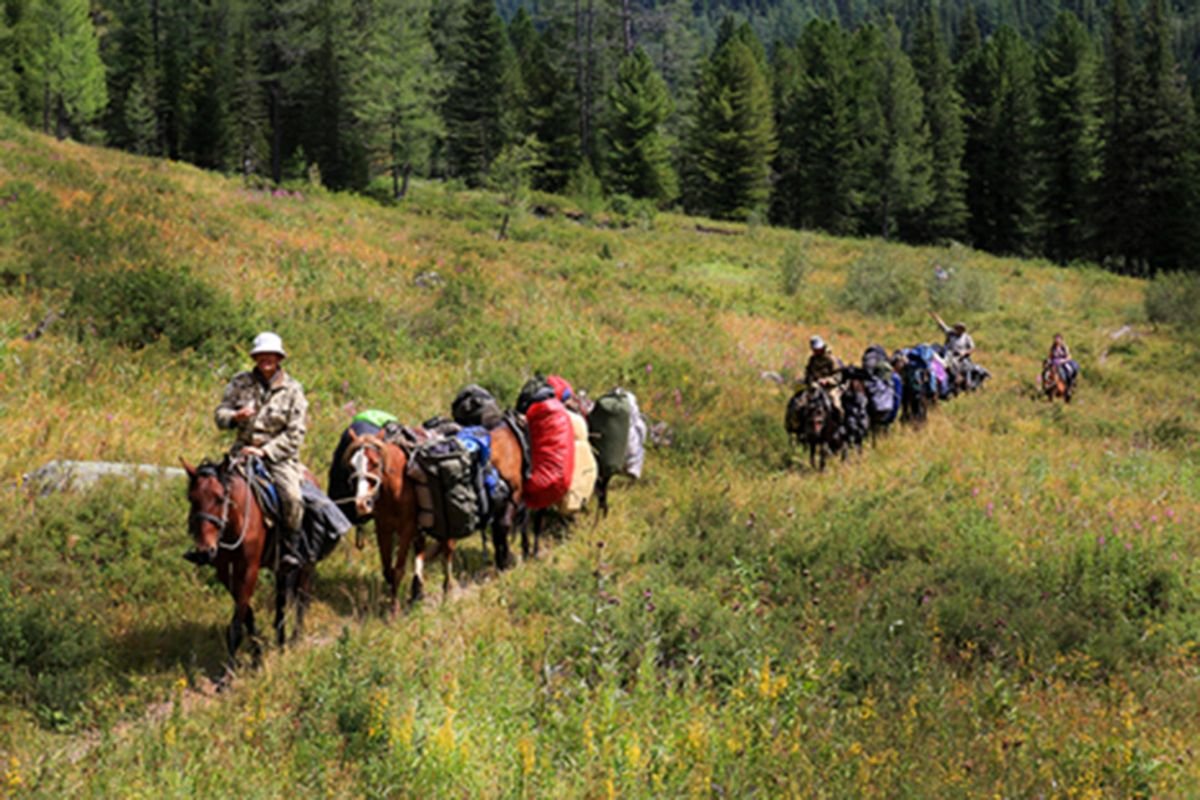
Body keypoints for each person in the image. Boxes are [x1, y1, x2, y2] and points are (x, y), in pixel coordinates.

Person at [214, 332, 309, 566]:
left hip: (278, 458)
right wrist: (235, 416)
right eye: (261, 355)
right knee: (209, 489)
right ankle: (209, 543)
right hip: (241, 451)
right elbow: (220, 414)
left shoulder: (293, 390)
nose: (266, 359)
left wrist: (265, 451)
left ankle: (290, 548)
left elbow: (296, 433)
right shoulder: (239, 382)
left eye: (271, 355)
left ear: (279, 358)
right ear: (255, 357)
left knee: (292, 497)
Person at [930, 311, 975, 386]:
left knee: (958, 364)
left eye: (960, 329)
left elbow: (972, 348)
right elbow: (942, 326)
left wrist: (964, 353)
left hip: (959, 356)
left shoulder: (967, 337)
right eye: (957, 328)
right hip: (947, 352)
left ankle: (961, 379)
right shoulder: (951, 333)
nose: (958, 330)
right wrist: (936, 317)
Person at [804, 335, 843, 412]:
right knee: (801, 404)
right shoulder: (812, 360)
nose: (817, 351)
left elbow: (838, 375)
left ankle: (840, 421)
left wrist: (827, 381)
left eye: (819, 349)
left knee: (836, 405)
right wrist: (811, 382)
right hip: (815, 387)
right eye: (815, 349)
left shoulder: (831, 359)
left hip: (830, 387)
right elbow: (808, 373)